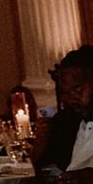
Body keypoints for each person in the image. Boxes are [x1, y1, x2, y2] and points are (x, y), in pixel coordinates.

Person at [35, 45, 93, 180]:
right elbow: (42, 169)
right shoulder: (64, 121)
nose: (69, 98)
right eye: (65, 92)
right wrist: (39, 145)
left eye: (77, 90)